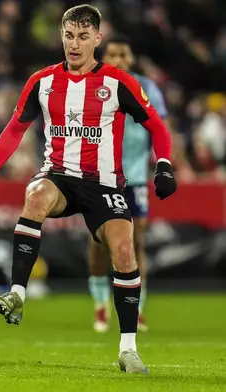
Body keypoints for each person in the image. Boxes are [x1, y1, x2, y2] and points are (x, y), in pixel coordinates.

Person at [0, 5, 177, 374]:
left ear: (97, 39)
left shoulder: (117, 82)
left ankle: (128, 349)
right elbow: (15, 129)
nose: (74, 45)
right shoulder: (42, 82)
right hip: (59, 175)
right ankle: (17, 293)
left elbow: (157, 127)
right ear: (61, 37)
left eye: (82, 37)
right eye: (68, 36)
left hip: (105, 182)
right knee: (34, 196)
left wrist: (163, 165)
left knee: (125, 251)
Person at [87, 36, 168, 334]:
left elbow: (160, 128)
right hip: (99, 175)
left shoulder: (148, 89)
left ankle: (138, 308)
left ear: (131, 58)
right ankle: (100, 305)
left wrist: (166, 163)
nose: (119, 59)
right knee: (98, 242)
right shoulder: (93, 85)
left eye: (124, 53)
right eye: (114, 54)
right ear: (105, 57)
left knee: (137, 241)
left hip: (134, 176)